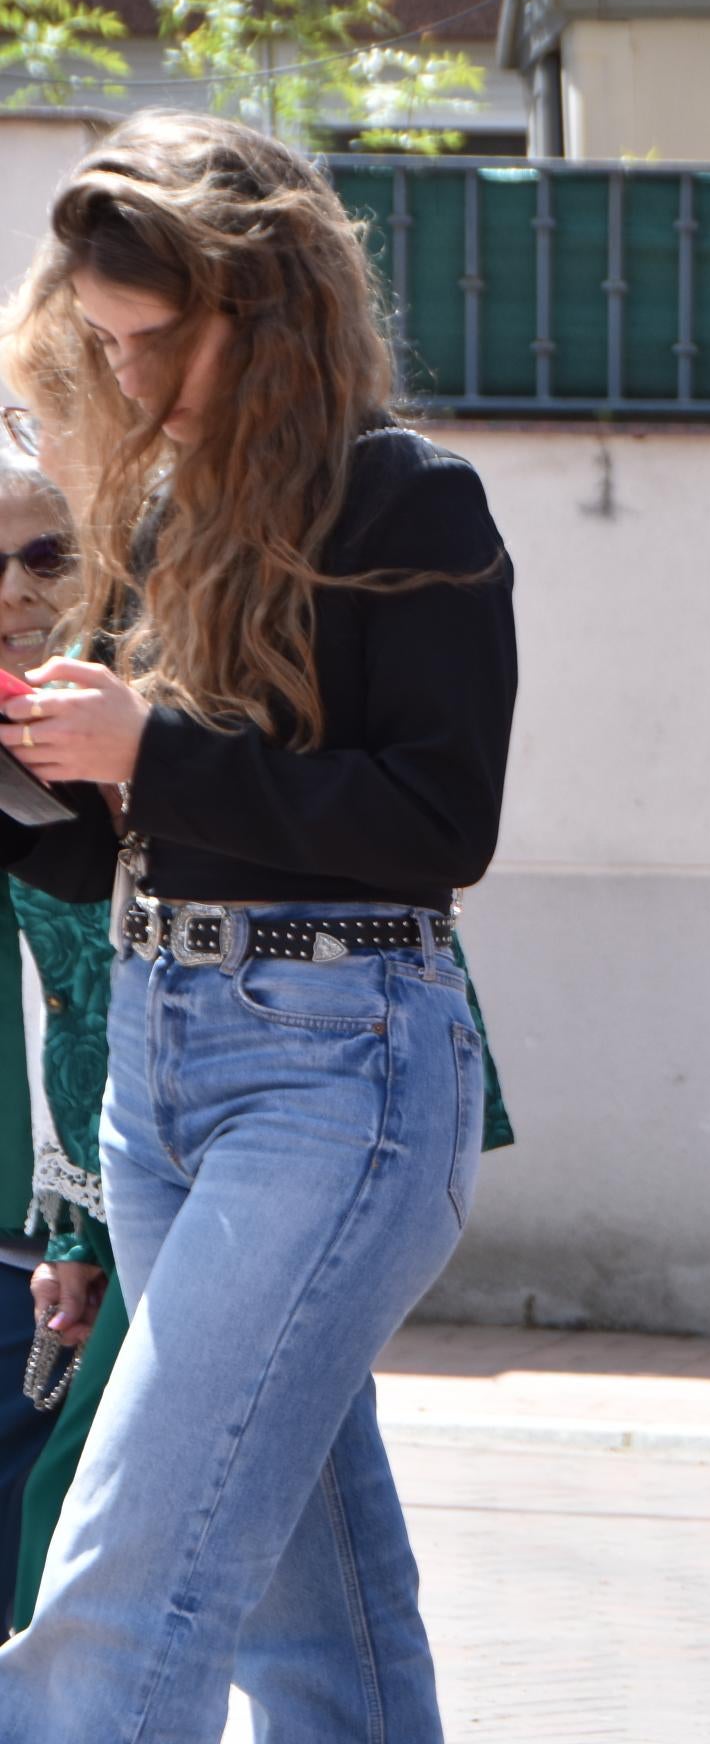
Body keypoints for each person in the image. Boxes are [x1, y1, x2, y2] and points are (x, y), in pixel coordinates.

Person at [0, 110, 519, 1743]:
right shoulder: (162, 518)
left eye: (157, 341)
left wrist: (150, 749)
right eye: (103, 342)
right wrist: (49, 765)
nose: (129, 379)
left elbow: (439, 826)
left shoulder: (407, 503)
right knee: (316, 1603)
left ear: (267, 302)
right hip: (162, 1078)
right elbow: (133, 857)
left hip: (337, 1070)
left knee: (127, 1569)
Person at [0, 282, 128, 1635]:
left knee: (84, 1551)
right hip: (67, 1219)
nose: (15, 595)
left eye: (45, 557)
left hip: (124, 1216)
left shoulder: (131, 712)